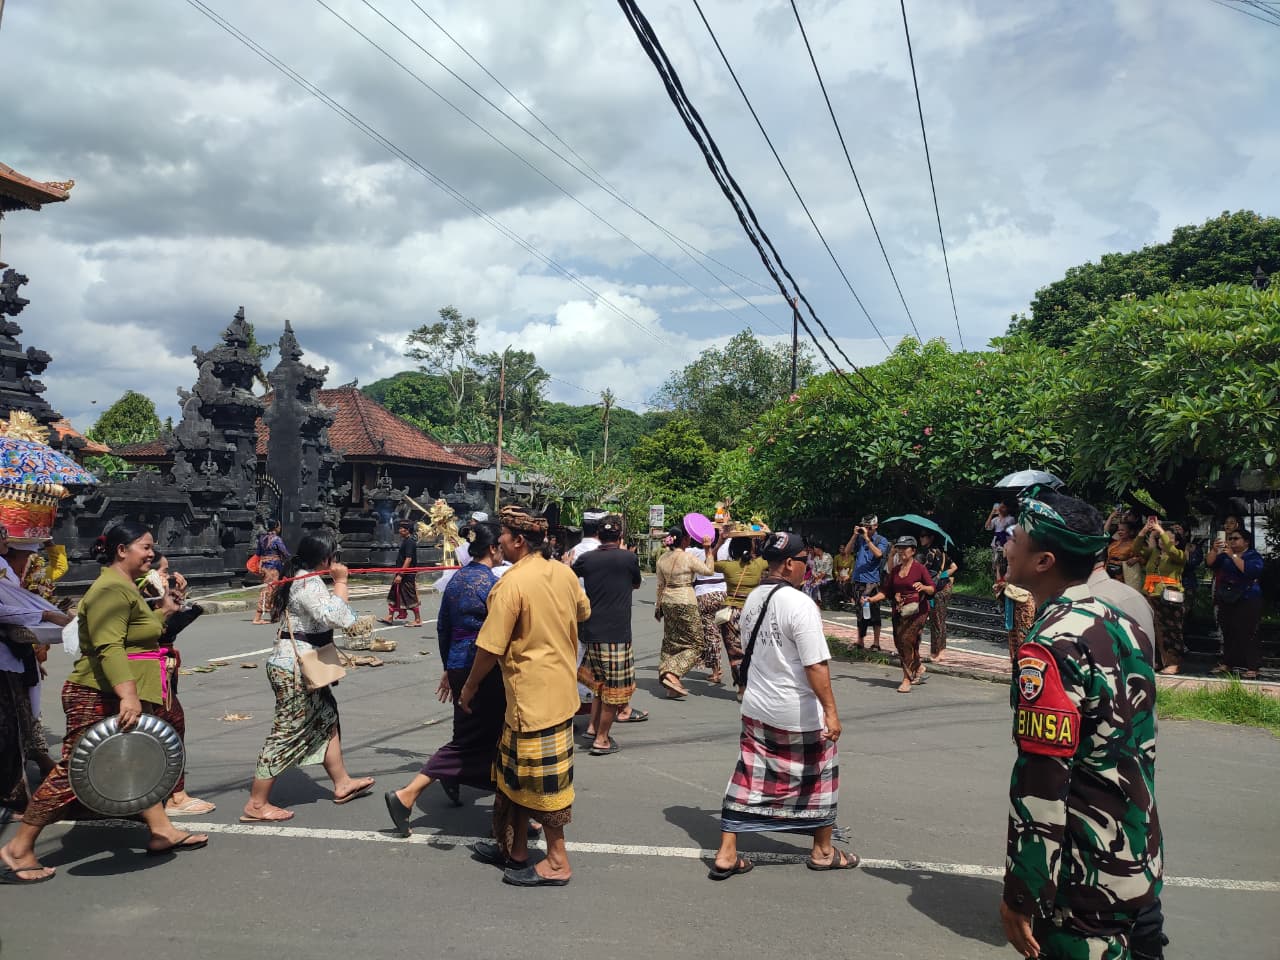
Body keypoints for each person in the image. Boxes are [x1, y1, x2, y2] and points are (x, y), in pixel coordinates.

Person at [999, 491, 1162, 960]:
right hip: (1138, 856)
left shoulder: (1049, 645)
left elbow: (1043, 781)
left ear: (1044, 560)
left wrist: (1023, 892)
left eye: (1017, 537)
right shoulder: (1118, 622)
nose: (1007, 544)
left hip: (1084, 878)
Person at [1, 522, 211, 885]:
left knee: (134, 759)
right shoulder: (110, 590)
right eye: (145, 547)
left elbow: (135, 634)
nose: (151, 554)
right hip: (96, 692)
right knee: (74, 771)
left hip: (118, 689)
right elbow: (109, 646)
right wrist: (128, 694)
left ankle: (161, 829)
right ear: (121, 550)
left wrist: (166, 611)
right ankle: (19, 848)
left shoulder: (125, 587)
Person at [710, 531, 853, 880]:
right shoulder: (801, 604)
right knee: (818, 777)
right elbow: (816, 665)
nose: (807, 567)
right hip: (797, 711)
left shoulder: (754, 597)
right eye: (804, 561)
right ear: (789, 563)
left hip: (757, 707)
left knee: (749, 776)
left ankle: (727, 852)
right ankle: (821, 850)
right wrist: (831, 712)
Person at [461, 505, 590, 887]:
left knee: (543, 784)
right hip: (556, 693)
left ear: (518, 540)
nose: (497, 540)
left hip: (532, 700)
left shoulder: (511, 584)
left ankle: (556, 861)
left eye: (502, 533)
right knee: (513, 777)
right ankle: (514, 849)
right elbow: (584, 611)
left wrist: (468, 686)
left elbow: (490, 647)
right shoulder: (564, 574)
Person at [241, 530, 376, 823]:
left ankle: (342, 783)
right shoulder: (307, 581)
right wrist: (341, 582)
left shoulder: (303, 577)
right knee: (287, 731)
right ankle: (256, 803)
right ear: (326, 557)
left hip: (303, 662)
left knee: (327, 716)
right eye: (334, 555)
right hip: (294, 668)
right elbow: (338, 617)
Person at [385, 522, 505, 835]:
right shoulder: (492, 584)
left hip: (457, 663)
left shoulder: (456, 580)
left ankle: (471, 789)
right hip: (483, 667)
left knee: (473, 732)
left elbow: (443, 630)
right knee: (488, 737)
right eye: (501, 546)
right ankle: (408, 794)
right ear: (493, 549)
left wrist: (449, 669)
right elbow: (496, 636)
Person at [137, 552, 214, 817]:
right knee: (170, 724)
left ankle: (161, 793)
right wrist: (172, 607)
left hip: (161, 666)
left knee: (163, 726)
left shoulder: (149, 599)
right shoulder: (135, 598)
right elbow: (161, 629)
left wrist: (176, 600)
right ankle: (175, 796)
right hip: (148, 669)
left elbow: (169, 625)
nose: (167, 577)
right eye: (163, 571)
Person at [573, 515, 642, 755]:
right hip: (617, 633)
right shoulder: (628, 558)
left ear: (598, 536)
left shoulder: (585, 559)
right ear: (620, 537)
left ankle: (593, 727)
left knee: (600, 686)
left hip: (592, 630)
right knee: (614, 689)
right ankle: (601, 739)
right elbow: (636, 584)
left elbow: (571, 574)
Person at [655, 525, 715, 699]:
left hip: (667, 600)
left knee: (671, 642)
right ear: (685, 540)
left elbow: (660, 585)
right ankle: (672, 672)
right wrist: (708, 550)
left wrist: (658, 607)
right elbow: (709, 570)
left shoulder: (661, 559)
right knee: (697, 644)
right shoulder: (688, 557)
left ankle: (671, 686)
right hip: (685, 600)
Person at [714, 536, 768, 698]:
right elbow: (772, 555)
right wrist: (765, 535)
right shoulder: (758, 564)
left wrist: (718, 543)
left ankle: (742, 687)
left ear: (732, 549)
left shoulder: (728, 566)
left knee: (735, 652)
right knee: (753, 650)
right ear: (751, 549)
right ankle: (755, 684)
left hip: (731, 613)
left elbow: (709, 564)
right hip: (753, 611)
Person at [1208, 527, 1265, 679]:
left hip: (1247, 598)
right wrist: (1214, 550)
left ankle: (1253, 666)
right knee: (1228, 631)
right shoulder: (1225, 556)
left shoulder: (1253, 556)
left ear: (1246, 542)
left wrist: (1233, 555)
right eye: (1230, 538)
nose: (1232, 541)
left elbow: (1249, 571)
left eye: (1236, 538)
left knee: (1248, 632)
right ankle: (1228, 663)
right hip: (1227, 597)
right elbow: (1210, 563)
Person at [1134, 517, 1188, 674]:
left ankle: (1173, 662)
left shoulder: (1179, 555)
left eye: (1168, 538)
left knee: (1171, 629)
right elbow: (1136, 548)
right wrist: (1145, 531)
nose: (1162, 541)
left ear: (1176, 542)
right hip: (1151, 594)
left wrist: (1162, 531)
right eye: (1161, 538)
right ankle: (1157, 660)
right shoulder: (1154, 554)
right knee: (1151, 628)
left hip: (1169, 596)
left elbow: (1171, 550)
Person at [885, 536, 935, 693]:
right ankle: (918, 666)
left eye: (904, 548)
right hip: (900, 610)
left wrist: (923, 587)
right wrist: (873, 598)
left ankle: (907, 678)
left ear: (913, 551)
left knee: (907, 639)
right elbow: (888, 591)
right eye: (899, 548)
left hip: (918, 611)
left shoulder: (919, 568)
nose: (901, 551)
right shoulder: (895, 570)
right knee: (901, 642)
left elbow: (932, 589)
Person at [690, 536, 728, 685]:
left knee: (711, 634)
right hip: (723, 594)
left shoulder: (692, 551)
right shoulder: (726, 548)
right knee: (722, 632)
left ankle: (716, 670)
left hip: (704, 595)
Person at [918, 530, 957, 662]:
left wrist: (938, 576)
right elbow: (954, 567)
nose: (921, 538)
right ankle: (936, 651)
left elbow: (924, 571)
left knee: (937, 620)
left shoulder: (930, 553)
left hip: (938, 590)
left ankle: (939, 652)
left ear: (931, 538)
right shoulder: (942, 553)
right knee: (937, 620)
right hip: (943, 587)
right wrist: (944, 575)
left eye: (924, 536)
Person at [850, 516, 888, 650]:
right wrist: (854, 536)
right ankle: (860, 640)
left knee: (874, 611)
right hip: (858, 579)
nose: (866, 529)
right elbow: (847, 551)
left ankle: (876, 642)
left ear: (876, 526)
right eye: (864, 526)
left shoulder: (881, 540)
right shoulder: (859, 539)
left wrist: (867, 539)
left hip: (872, 581)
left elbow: (879, 554)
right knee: (860, 611)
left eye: (869, 527)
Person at [379, 519, 423, 627]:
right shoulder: (406, 541)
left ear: (407, 530)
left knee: (409, 597)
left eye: (402, 529)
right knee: (394, 594)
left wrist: (401, 574)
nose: (399, 530)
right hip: (401, 572)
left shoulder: (410, 542)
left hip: (407, 575)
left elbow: (408, 559)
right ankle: (390, 616)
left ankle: (418, 619)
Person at [251, 518, 290, 624]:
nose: (280, 528)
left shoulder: (262, 539)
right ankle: (257, 617)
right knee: (269, 591)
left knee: (273, 590)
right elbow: (285, 553)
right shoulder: (277, 539)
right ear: (276, 527)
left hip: (264, 567)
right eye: (279, 526)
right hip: (273, 568)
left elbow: (258, 553)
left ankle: (275, 616)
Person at [986, 501, 1016, 578]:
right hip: (996, 543)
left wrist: (1000, 515)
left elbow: (1005, 528)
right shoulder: (995, 520)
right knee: (997, 565)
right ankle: (998, 583)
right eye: (1000, 507)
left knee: (1005, 564)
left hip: (1006, 543)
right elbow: (987, 527)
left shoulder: (1010, 519)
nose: (1000, 509)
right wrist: (992, 514)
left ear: (1007, 509)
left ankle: (1005, 584)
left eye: (1003, 507)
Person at [802, 541, 832, 609]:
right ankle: (809, 602)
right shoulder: (816, 558)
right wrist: (815, 576)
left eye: (815, 548)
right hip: (816, 577)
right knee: (806, 585)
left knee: (815, 585)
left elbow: (824, 571)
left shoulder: (827, 557)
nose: (814, 550)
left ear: (819, 549)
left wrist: (817, 579)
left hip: (825, 578)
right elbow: (813, 570)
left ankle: (817, 602)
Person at [832, 536, 855, 608]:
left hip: (848, 575)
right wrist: (837, 576)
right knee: (840, 583)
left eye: (843, 548)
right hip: (839, 575)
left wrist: (848, 576)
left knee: (846, 584)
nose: (841, 550)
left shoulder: (851, 557)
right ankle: (845, 598)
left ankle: (848, 598)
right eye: (840, 548)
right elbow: (835, 568)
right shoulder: (836, 557)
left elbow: (852, 569)